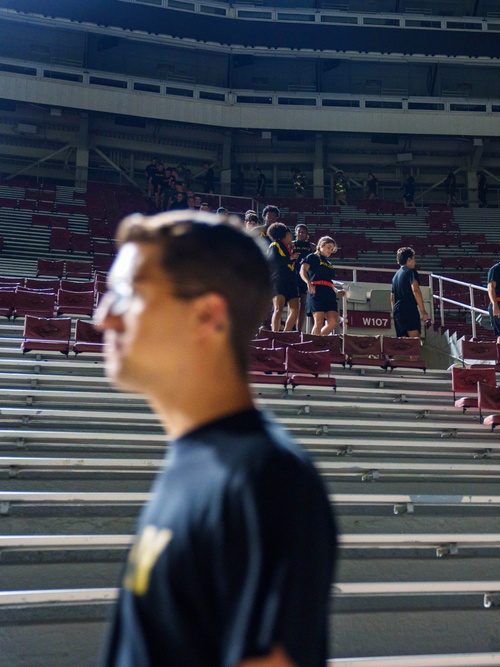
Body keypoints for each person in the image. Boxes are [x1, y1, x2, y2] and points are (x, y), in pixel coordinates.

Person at [96, 210, 336, 667]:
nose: (103, 317)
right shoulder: (196, 462)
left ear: (207, 315)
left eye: (127, 294)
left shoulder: (265, 481)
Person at [301, 236, 346, 336]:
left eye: (332, 249)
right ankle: (314, 345)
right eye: (329, 247)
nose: (330, 250)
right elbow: (302, 270)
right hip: (316, 290)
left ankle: (317, 341)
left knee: (333, 321)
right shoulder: (312, 257)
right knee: (319, 321)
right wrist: (308, 283)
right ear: (321, 245)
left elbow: (328, 280)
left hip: (329, 291)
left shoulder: (329, 263)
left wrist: (336, 291)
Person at [266, 223, 301, 332]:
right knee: (278, 308)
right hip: (278, 278)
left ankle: (286, 333)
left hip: (290, 279)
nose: (292, 237)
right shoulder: (274, 245)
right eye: (290, 234)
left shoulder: (289, 247)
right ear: (285, 234)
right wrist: (290, 257)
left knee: (295, 308)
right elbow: (273, 261)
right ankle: (275, 333)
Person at [391, 247, 430, 338]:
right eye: (414, 258)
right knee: (414, 343)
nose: (415, 262)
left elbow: (392, 298)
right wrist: (423, 311)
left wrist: (395, 313)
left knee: (403, 345)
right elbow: (415, 290)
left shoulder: (395, 276)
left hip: (397, 311)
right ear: (409, 260)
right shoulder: (411, 272)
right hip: (408, 309)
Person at [292, 225, 314, 332]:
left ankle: (298, 329)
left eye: (303, 232)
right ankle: (291, 327)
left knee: (303, 304)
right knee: (294, 303)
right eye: (299, 232)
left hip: (305, 277)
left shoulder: (311, 247)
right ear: (295, 233)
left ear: (307, 235)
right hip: (293, 276)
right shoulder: (291, 245)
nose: (301, 234)